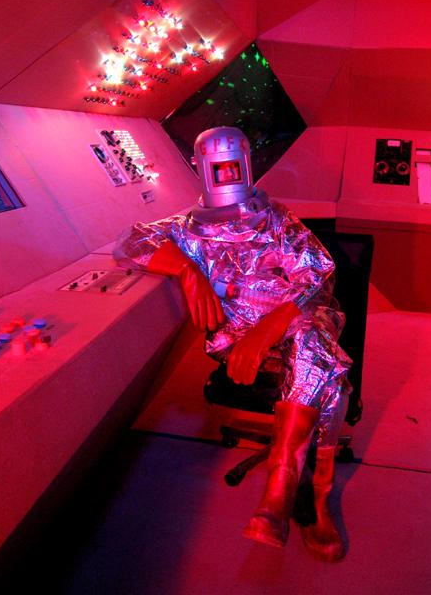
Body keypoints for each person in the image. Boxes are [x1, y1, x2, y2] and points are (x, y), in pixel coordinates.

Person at [113, 126, 352, 561]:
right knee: (325, 372)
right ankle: (312, 500)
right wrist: (186, 269)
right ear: (202, 169)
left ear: (246, 165)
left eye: (233, 167)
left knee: (311, 341)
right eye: (218, 168)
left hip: (297, 320)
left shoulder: (275, 220)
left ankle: (280, 491)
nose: (226, 175)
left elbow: (318, 272)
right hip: (238, 337)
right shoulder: (185, 230)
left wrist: (272, 325)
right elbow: (131, 242)